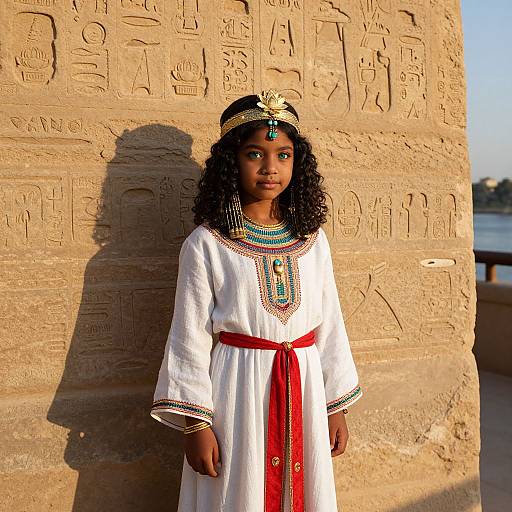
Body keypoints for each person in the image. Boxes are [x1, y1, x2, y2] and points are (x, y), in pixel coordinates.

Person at [150, 90, 362, 511]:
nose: (270, 168)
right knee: (239, 489)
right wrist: (196, 423)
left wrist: (334, 405)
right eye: (255, 154)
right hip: (237, 391)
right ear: (233, 161)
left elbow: (329, 324)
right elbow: (188, 336)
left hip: (304, 388)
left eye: (283, 155)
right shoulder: (206, 244)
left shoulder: (312, 241)